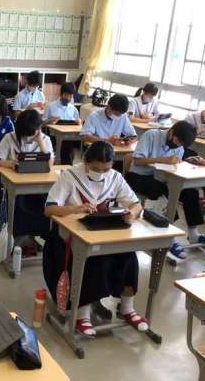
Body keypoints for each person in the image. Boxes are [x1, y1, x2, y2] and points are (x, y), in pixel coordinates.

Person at [43, 141, 147, 336]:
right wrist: (74, 209)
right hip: (70, 237)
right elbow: (49, 209)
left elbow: (135, 204)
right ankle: (82, 314)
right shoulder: (70, 176)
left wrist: (132, 214)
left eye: (106, 169)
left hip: (104, 233)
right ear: (86, 162)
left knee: (129, 257)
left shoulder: (115, 177)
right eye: (96, 169)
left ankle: (127, 308)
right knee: (92, 261)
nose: (101, 173)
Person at [125, 121, 205, 259]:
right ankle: (168, 237)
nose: (178, 146)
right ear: (171, 132)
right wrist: (163, 160)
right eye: (178, 141)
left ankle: (193, 233)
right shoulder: (151, 135)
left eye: (182, 145)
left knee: (190, 191)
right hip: (138, 176)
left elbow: (174, 164)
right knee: (166, 195)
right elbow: (137, 161)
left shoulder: (179, 145)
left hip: (161, 178)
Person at [0, 110, 54, 253]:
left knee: (46, 205)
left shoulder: (45, 140)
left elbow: (50, 166)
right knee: (14, 205)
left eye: (32, 133)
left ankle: (30, 237)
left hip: (37, 188)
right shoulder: (10, 138)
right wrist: (10, 163)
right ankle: (15, 239)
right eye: (26, 134)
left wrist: (40, 142)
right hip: (11, 187)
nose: (28, 138)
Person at [43, 82, 82, 165]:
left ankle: (66, 165)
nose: (68, 98)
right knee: (65, 148)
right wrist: (50, 120)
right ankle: (63, 164)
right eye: (66, 95)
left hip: (70, 136)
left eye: (70, 96)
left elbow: (78, 123)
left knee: (70, 146)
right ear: (61, 94)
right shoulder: (51, 106)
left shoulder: (73, 109)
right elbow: (42, 123)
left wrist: (79, 122)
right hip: (54, 136)